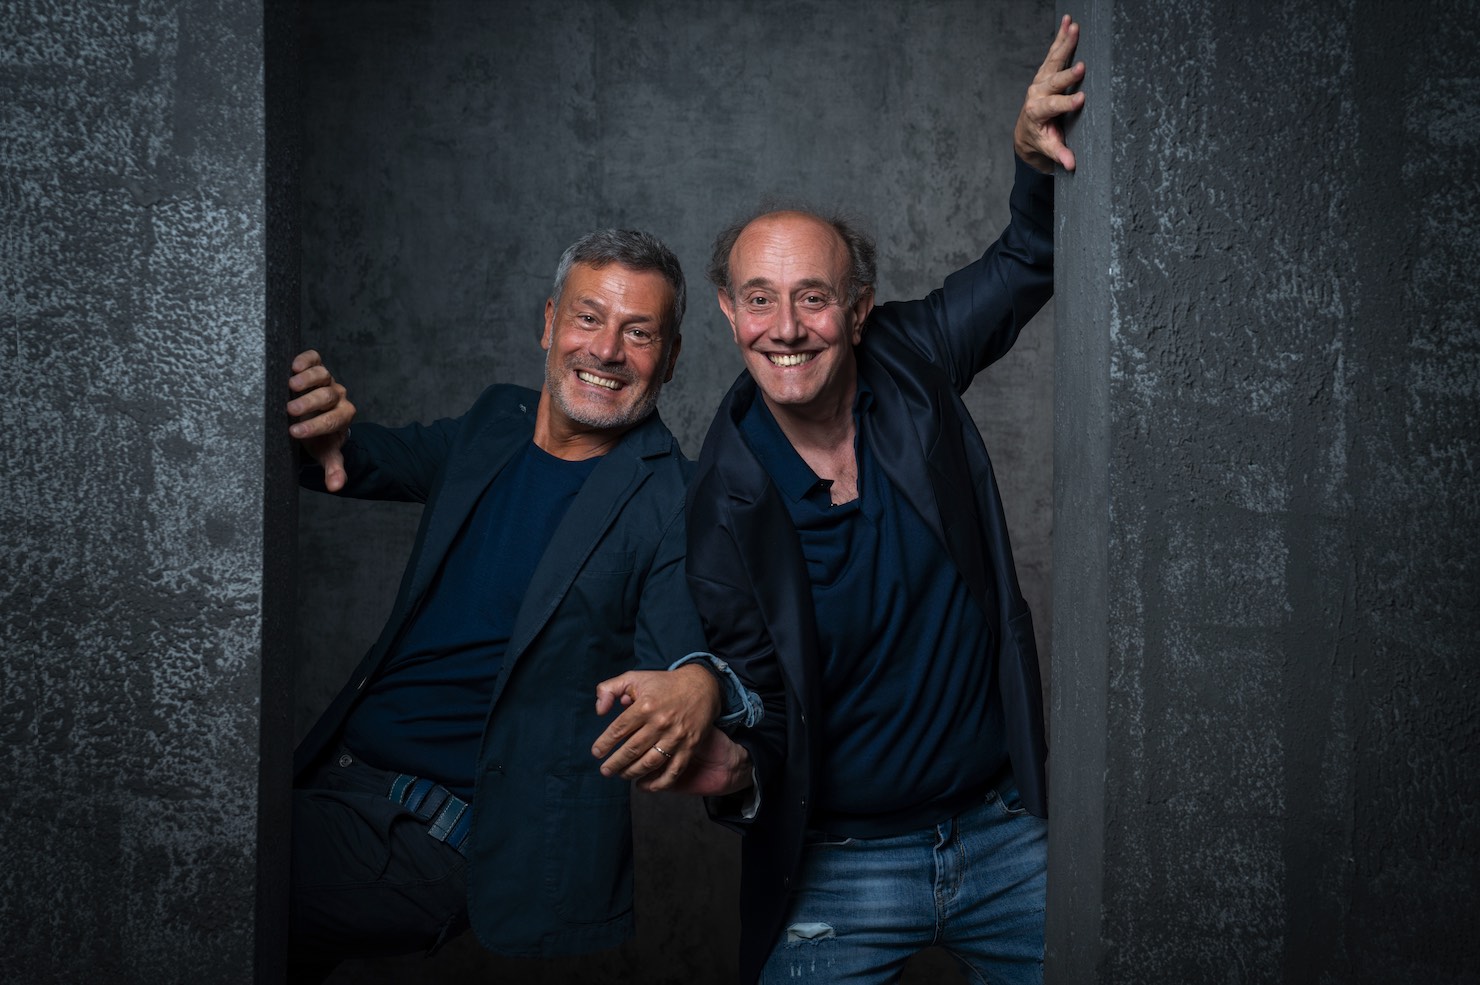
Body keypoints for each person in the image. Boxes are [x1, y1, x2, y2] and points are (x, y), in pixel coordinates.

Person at [627, 16, 1086, 985]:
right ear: (728, 311)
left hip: (1007, 835)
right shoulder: (717, 504)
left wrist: (1030, 159)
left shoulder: (913, 362)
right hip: (839, 865)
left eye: (813, 296)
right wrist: (735, 767)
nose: (786, 327)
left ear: (860, 307)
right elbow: (761, 698)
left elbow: (1027, 259)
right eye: (759, 298)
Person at [284, 229, 758, 979]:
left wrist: (699, 682)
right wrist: (308, 425)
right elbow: (349, 459)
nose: (606, 350)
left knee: (203, 859)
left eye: (639, 333)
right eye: (588, 317)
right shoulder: (494, 422)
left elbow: (682, 664)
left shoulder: (678, 497)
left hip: (442, 830)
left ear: (669, 359)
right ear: (548, 322)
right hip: (334, 775)